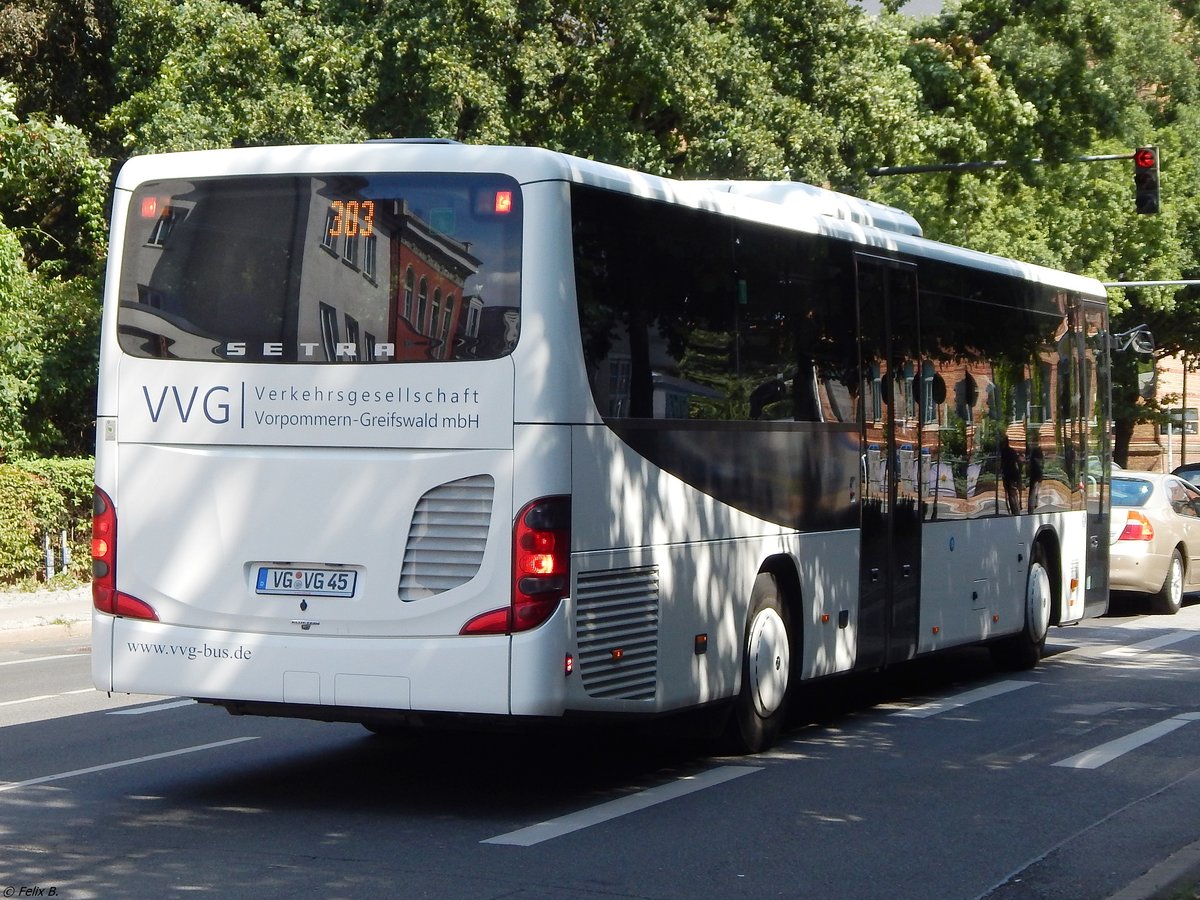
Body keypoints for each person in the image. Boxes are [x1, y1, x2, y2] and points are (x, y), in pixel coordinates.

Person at [999, 434, 1021, 515]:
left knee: (1011, 494)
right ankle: (1015, 511)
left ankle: (1015, 511)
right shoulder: (1012, 451)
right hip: (1013, 475)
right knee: (1013, 494)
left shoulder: (1004, 452)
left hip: (1009, 476)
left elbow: (1002, 465)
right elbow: (1018, 462)